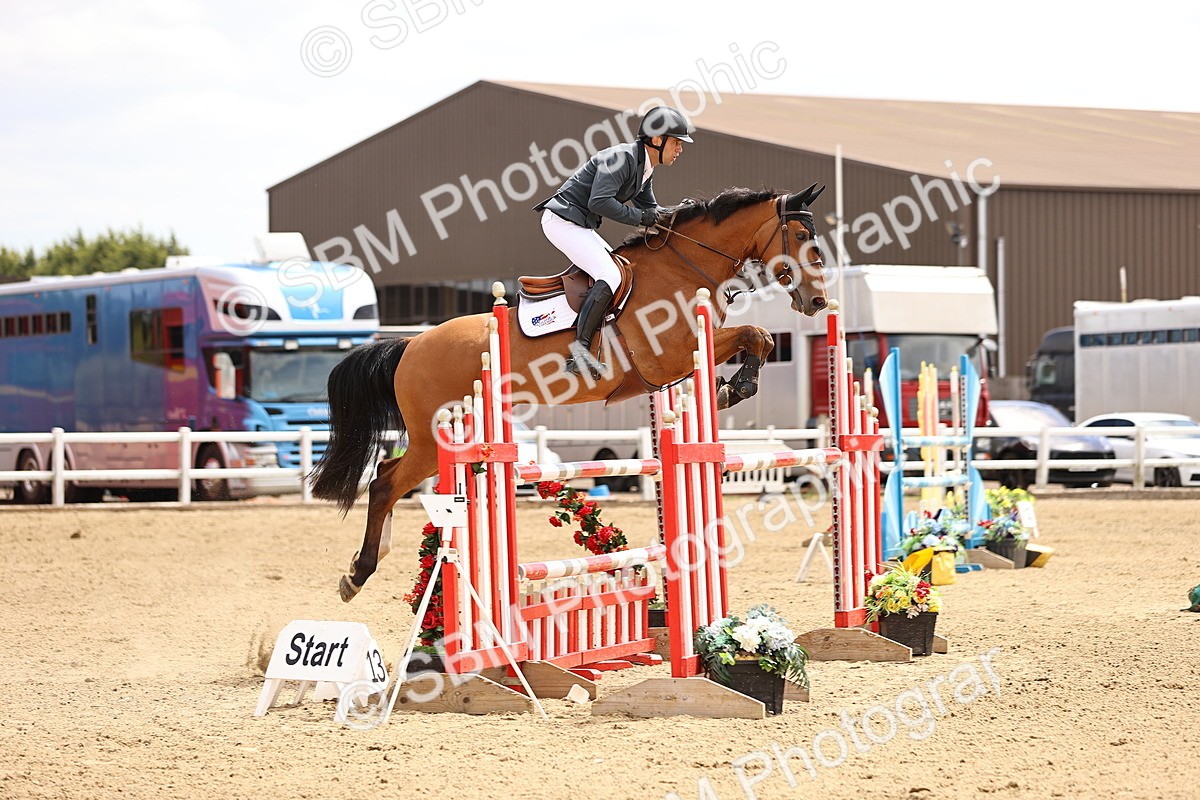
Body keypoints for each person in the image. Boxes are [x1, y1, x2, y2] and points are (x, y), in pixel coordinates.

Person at [534, 106, 694, 377]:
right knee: (610, 274)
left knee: (624, 269)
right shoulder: (621, 158)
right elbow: (599, 201)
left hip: (578, 224)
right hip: (561, 221)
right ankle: (579, 354)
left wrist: (682, 213)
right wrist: (640, 217)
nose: (680, 149)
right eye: (676, 142)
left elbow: (652, 211)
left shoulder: (644, 168)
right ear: (657, 139)